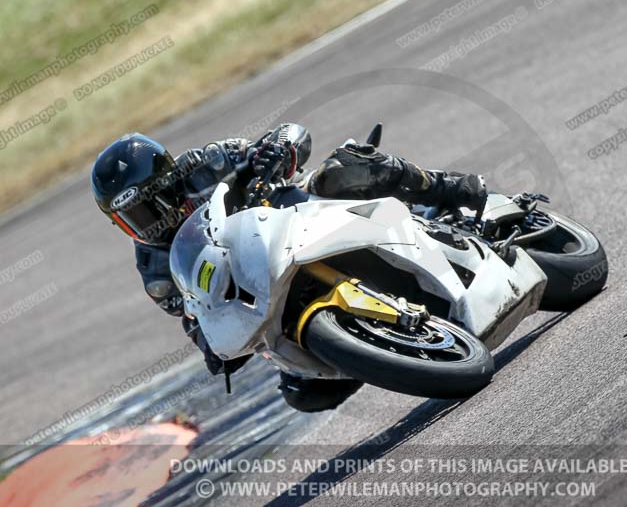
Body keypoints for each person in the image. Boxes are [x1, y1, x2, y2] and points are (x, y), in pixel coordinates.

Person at [90, 123, 486, 411]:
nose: (146, 221)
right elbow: (194, 313)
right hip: (268, 282)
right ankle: (380, 344)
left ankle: (446, 188)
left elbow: (288, 134)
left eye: (149, 204)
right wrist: (210, 344)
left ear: (168, 180)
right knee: (305, 393)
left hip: (305, 213)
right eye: (130, 218)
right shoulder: (156, 271)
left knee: (341, 172)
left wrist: (276, 151)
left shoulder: (206, 164)